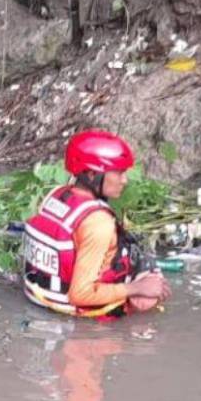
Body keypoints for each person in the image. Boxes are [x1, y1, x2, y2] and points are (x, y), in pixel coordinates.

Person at [22, 129, 171, 318]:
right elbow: (80, 295)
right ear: (92, 175)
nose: (124, 181)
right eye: (118, 173)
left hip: (38, 300)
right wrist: (136, 288)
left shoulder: (56, 195)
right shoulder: (99, 224)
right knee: (150, 289)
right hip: (81, 319)